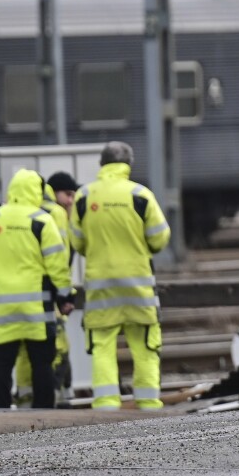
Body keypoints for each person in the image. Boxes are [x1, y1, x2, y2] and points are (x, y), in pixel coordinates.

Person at [71, 141, 171, 410]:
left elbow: (78, 242)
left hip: (101, 289)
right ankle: (148, 401)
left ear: (102, 165)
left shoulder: (83, 197)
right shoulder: (141, 195)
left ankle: (105, 403)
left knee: (102, 345)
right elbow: (160, 238)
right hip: (138, 287)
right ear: (128, 164)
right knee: (145, 344)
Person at [0, 169, 74, 409]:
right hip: (36, 310)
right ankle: (44, 412)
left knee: (2, 364)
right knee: (41, 364)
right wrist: (65, 296)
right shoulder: (41, 221)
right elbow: (57, 264)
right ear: (36, 191)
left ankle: (0, 415)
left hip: (2, 309)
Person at [14, 171, 80, 406]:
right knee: (56, 348)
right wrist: (63, 294)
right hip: (49, 296)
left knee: (25, 352)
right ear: (54, 191)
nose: (71, 201)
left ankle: (25, 400)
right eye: (68, 194)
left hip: (28, 295)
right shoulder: (55, 213)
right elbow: (59, 258)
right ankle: (58, 400)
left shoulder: (19, 212)